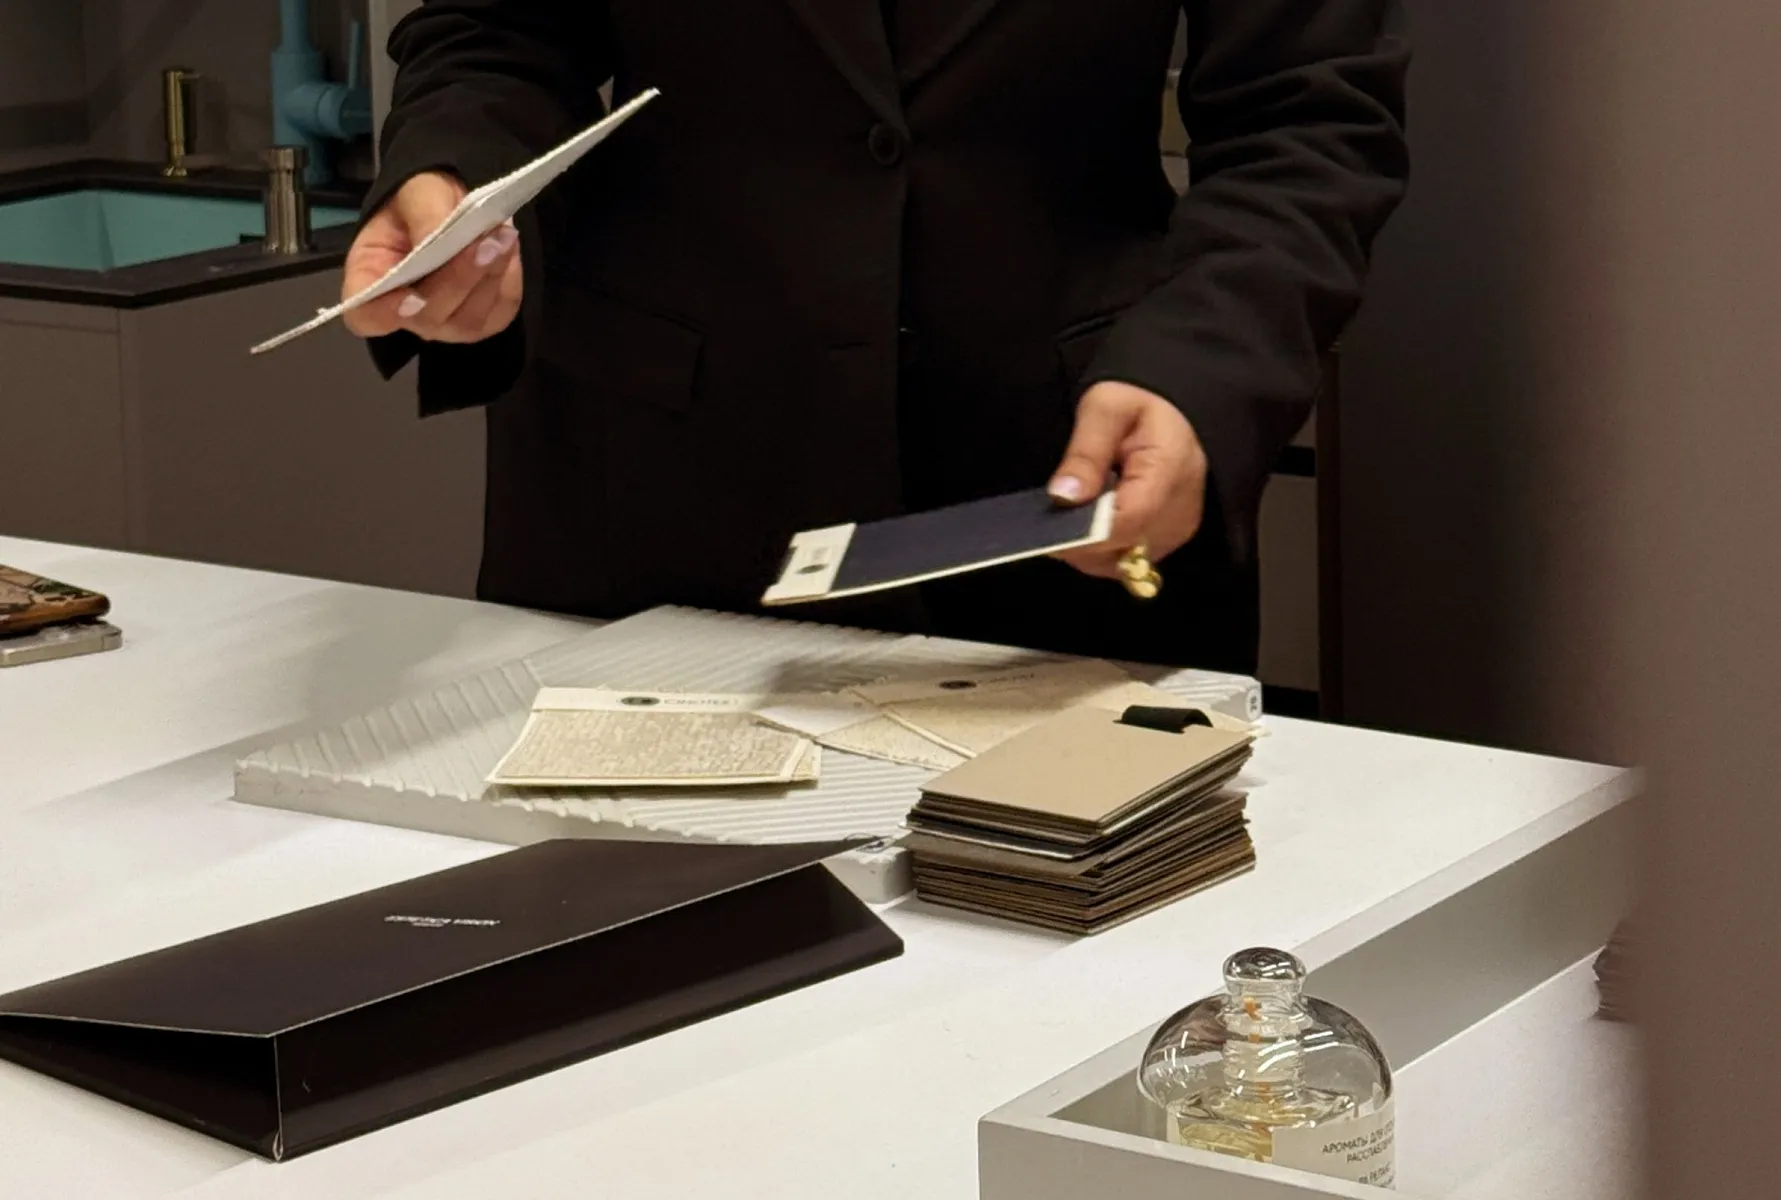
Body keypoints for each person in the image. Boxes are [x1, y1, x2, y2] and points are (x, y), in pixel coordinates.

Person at [344, 0, 1409, 673]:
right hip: (653, 500)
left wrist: (1200, 373)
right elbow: (498, 29)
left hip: (1058, 504)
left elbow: (1303, 117)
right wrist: (454, 179)